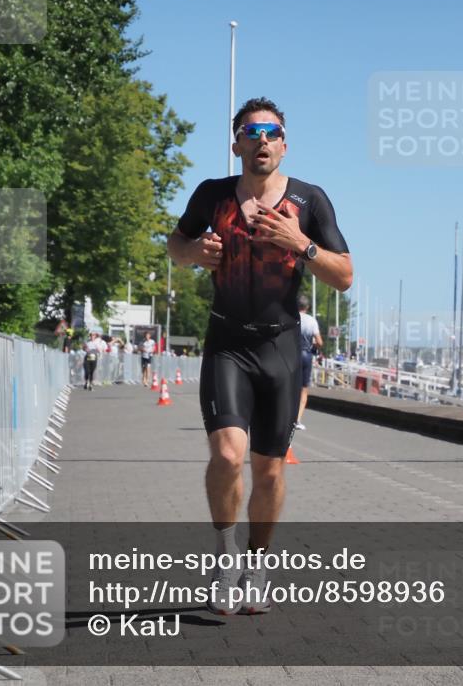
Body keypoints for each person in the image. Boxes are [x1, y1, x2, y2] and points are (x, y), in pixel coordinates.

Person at [168, 97, 352, 615]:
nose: (262, 140)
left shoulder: (309, 201)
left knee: (269, 472)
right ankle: (226, 558)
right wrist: (191, 254)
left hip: (280, 346)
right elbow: (175, 243)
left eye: (272, 132)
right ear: (237, 144)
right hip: (227, 342)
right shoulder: (212, 194)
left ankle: (257, 563)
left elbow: (345, 274)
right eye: (252, 132)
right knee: (227, 456)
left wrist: (303, 244)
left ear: (284, 144)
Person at [295, 295, 322, 430]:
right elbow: (319, 342)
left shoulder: (291, 317)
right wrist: (314, 347)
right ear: (307, 307)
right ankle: (297, 419)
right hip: (306, 354)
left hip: (291, 354)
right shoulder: (311, 321)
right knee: (303, 388)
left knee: (290, 385)